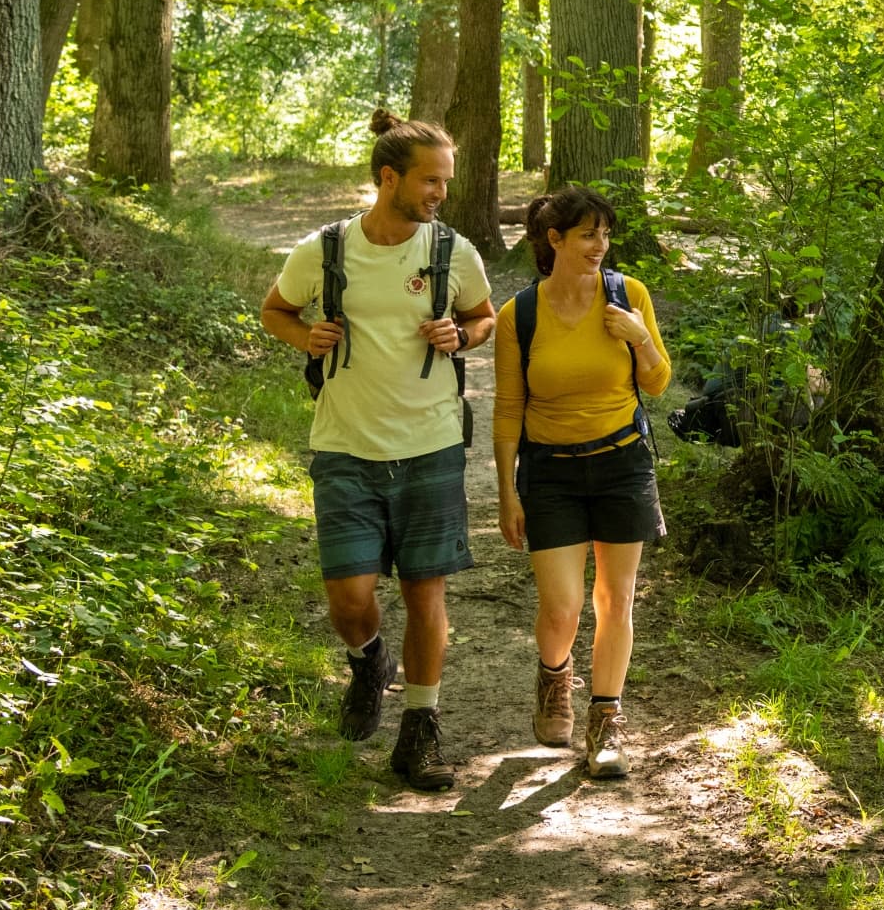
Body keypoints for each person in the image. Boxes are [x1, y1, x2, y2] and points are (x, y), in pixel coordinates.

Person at [260, 110, 495, 792]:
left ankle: (419, 733)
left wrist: (465, 336)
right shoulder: (325, 251)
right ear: (388, 177)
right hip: (344, 446)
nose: (440, 194)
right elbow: (275, 309)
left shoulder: (453, 252)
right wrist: (303, 337)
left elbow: (485, 316)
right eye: (430, 181)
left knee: (427, 594)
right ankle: (368, 661)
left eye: (445, 182)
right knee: (349, 596)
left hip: (432, 446)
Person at [494, 187, 671, 780]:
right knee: (563, 607)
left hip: (622, 464)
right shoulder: (518, 314)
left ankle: (605, 722)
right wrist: (506, 492)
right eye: (588, 235)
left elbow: (659, 381)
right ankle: (553, 678)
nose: (600, 246)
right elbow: (507, 410)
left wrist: (638, 336)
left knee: (616, 599)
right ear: (556, 240)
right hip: (550, 472)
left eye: (605, 235)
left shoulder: (629, 296)